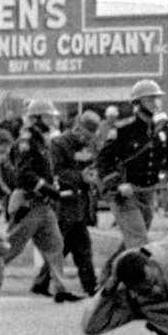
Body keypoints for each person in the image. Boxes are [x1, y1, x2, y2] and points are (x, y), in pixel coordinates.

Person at [3, 99, 82, 303]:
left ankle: (60, 289)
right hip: (29, 204)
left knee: (56, 246)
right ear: (38, 117)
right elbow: (24, 176)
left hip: (43, 204)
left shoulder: (40, 140)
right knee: (10, 248)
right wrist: (47, 188)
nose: (52, 119)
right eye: (48, 115)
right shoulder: (27, 141)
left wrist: (51, 188)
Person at [96, 80, 168, 269]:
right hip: (125, 195)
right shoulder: (123, 129)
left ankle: (108, 280)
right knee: (139, 241)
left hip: (147, 192)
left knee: (130, 243)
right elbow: (103, 162)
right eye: (150, 99)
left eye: (156, 99)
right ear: (138, 103)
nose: (155, 103)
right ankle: (141, 288)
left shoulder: (162, 129)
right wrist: (117, 184)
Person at [31, 110, 102, 297]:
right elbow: (56, 171)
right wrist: (81, 177)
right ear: (77, 128)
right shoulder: (59, 144)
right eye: (85, 134)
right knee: (67, 245)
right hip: (65, 201)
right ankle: (89, 284)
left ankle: (46, 281)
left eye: (90, 136)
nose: (86, 139)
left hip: (81, 202)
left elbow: (93, 165)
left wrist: (93, 176)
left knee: (76, 246)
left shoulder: (88, 146)